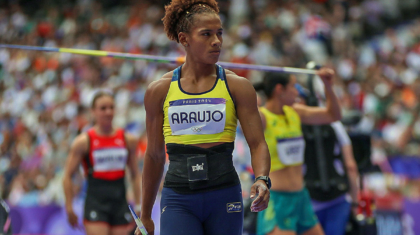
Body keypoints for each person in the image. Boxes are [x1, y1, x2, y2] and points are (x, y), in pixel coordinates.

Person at [136, 0, 271, 234]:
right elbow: (155, 155)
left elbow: (258, 143)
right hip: (178, 199)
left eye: (219, 33)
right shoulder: (159, 90)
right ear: (184, 39)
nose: (217, 41)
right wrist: (145, 215)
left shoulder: (238, 86)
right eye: (206, 34)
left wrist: (262, 178)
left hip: (224, 195)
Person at [255, 69, 341, 235]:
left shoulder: (295, 112)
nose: (297, 91)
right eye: (293, 86)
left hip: (301, 198)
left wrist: (328, 86)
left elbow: (334, 115)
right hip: (277, 200)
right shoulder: (262, 117)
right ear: (279, 90)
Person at [63, 91, 141, 235]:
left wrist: (139, 204)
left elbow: (135, 174)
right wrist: (69, 206)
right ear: (93, 111)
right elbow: (67, 175)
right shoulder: (84, 142)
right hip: (96, 203)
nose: (108, 112)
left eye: (111, 107)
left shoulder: (128, 140)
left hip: (120, 202)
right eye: (103, 108)